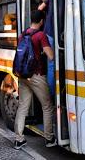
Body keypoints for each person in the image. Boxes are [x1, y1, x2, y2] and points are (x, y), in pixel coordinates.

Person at [14, 10, 56, 150]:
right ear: (42, 21)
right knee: (47, 106)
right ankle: (49, 138)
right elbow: (51, 56)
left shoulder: (23, 34)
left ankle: (19, 139)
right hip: (37, 76)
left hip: (23, 76)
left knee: (23, 106)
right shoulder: (40, 35)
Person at [38, 0, 56, 98]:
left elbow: (40, 8)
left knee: (51, 63)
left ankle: (52, 95)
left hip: (50, 31)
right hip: (60, 32)